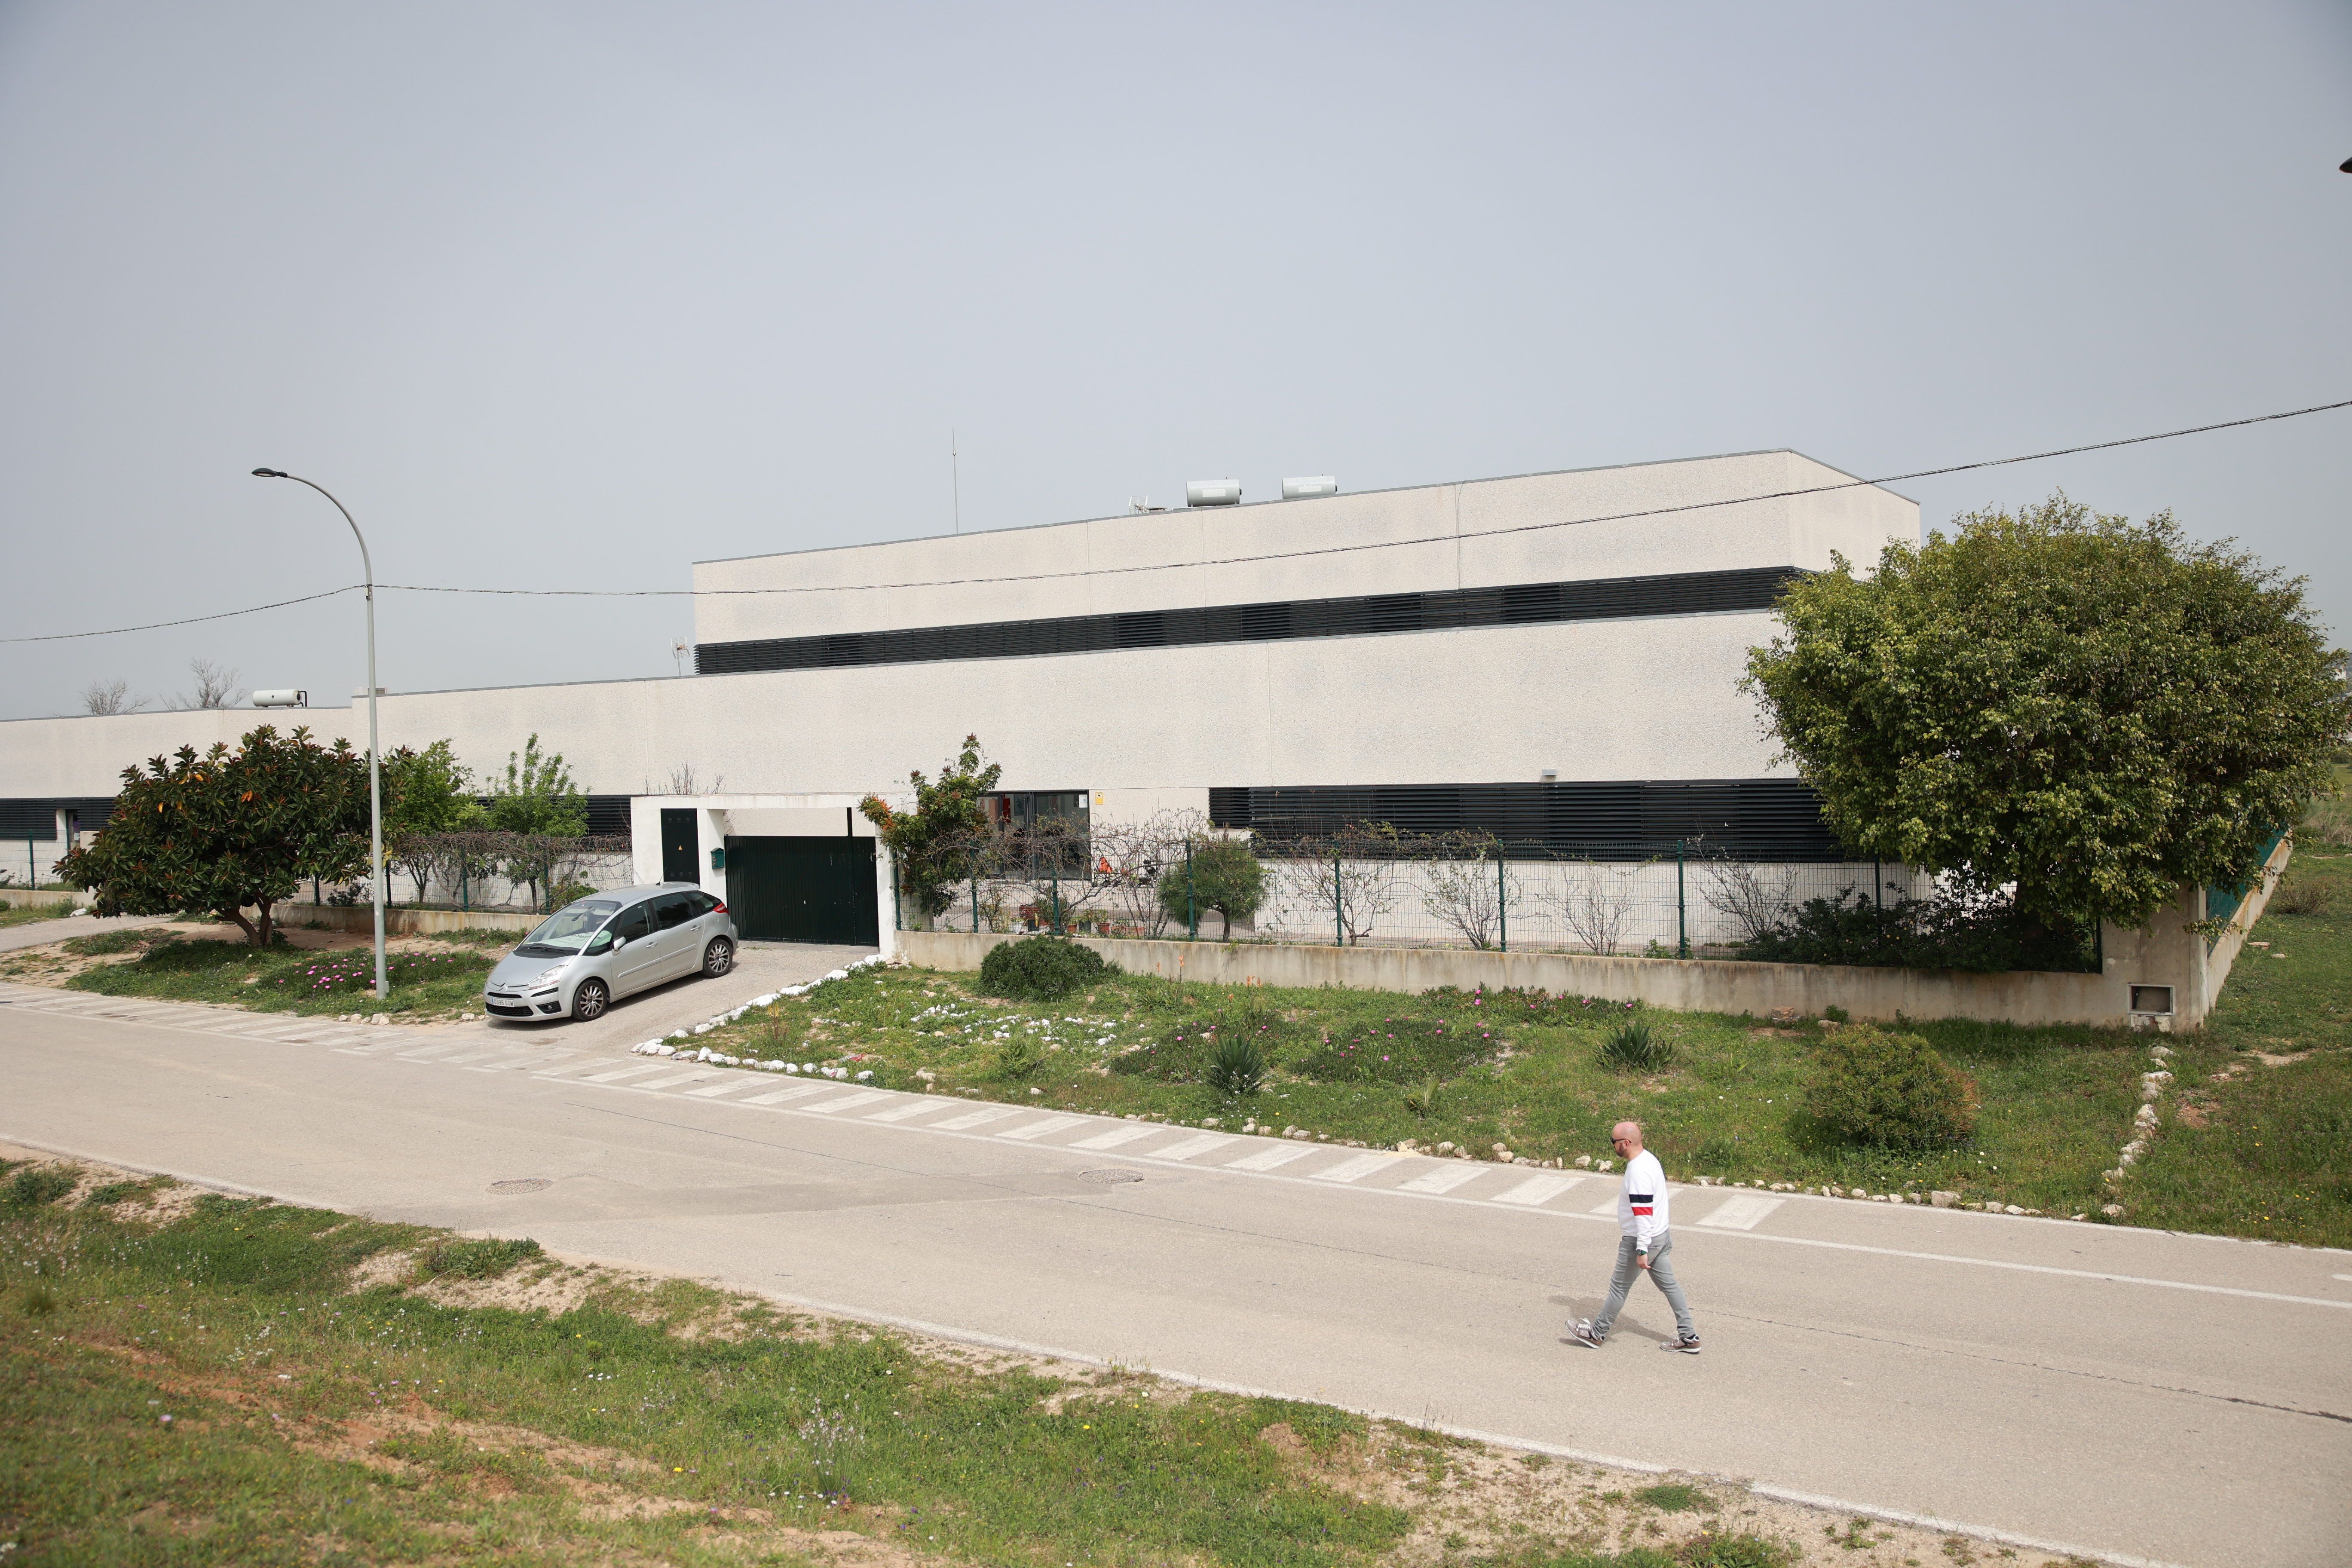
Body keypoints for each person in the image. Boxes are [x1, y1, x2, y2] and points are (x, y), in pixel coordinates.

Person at [1570, 1120, 1700, 1354]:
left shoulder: (1638, 1171)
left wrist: (1642, 1250)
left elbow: (1643, 1214)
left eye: (1614, 1142)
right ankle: (1689, 1336)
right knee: (1670, 1286)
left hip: (1642, 1239)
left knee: (1619, 1288)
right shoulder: (1649, 1159)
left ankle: (1597, 1333)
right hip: (1660, 1236)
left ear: (1626, 1143)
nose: (1613, 1146)